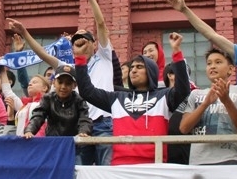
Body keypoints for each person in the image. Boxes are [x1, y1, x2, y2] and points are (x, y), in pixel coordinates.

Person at [7, 0, 115, 165]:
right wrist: (25, 33)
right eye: (75, 40)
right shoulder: (72, 70)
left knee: (106, 171)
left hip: (104, 123)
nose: (79, 39)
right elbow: (43, 54)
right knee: (79, 173)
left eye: (84, 37)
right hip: (81, 126)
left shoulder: (104, 57)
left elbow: (100, 23)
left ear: (94, 43)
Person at [75, 32, 191, 165]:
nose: (133, 71)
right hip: (120, 168)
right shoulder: (117, 98)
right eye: (132, 68)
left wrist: (176, 52)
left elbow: (183, 90)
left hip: (154, 167)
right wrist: (80, 57)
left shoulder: (164, 96)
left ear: (151, 71)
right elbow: (87, 91)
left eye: (139, 67)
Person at [178, 48, 237, 165]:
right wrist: (205, 104)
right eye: (209, 63)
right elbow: (184, 128)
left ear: (231, 69)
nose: (212, 66)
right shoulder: (196, 94)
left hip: (230, 158)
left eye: (218, 62)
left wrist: (226, 101)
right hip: (199, 161)